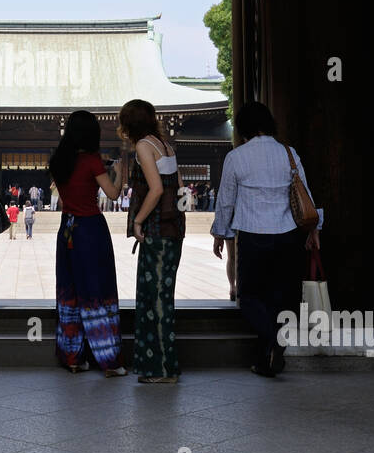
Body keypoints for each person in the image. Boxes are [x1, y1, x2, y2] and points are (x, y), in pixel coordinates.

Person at [211, 102, 323, 376]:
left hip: (252, 233)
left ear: (243, 128)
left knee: (249, 296)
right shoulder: (289, 153)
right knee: (279, 298)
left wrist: (220, 232)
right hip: (287, 235)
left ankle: (272, 343)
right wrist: (313, 229)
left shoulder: (237, 157)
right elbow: (304, 194)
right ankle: (266, 359)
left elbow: (226, 202)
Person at [49, 110, 129, 377]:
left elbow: (63, 198)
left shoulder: (58, 161)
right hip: (91, 229)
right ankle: (109, 360)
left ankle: (73, 356)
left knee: (70, 290)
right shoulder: (92, 161)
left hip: (67, 229)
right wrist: (119, 172)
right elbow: (114, 193)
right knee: (97, 290)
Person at [120, 100, 185, 384]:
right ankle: (164, 363)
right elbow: (178, 187)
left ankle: (160, 367)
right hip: (174, 229)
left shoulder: (144, 147)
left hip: (156, 230)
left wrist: (137, 221)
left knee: (154, 298)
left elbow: (155, 189)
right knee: (163, 296)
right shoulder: (166, 145)